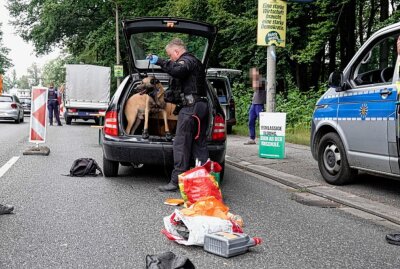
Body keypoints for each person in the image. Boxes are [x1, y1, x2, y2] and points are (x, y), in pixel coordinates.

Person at [147, 38, 209, 192]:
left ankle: (176, 181)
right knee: (199, 145)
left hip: (191, 109)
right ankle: (203, 182)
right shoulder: (195, 63)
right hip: (201, 107)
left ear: (176, 51)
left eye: (170, 55)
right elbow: (178, 91)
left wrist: (160, 62)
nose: (170, 59)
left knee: (181, 144)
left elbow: (178, 70)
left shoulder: (186, 61)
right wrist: (161, 96)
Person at [244, 67, 266, 145]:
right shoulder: (256, 80)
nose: (252, 75)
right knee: (251, 121)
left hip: (260, 104)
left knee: (262, 123)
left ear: (258, 73)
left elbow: (256, 87)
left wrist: (255, 79)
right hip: (254, 104)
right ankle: (252, 138)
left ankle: (264, 139)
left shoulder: (262, 80)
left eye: (253, 73)